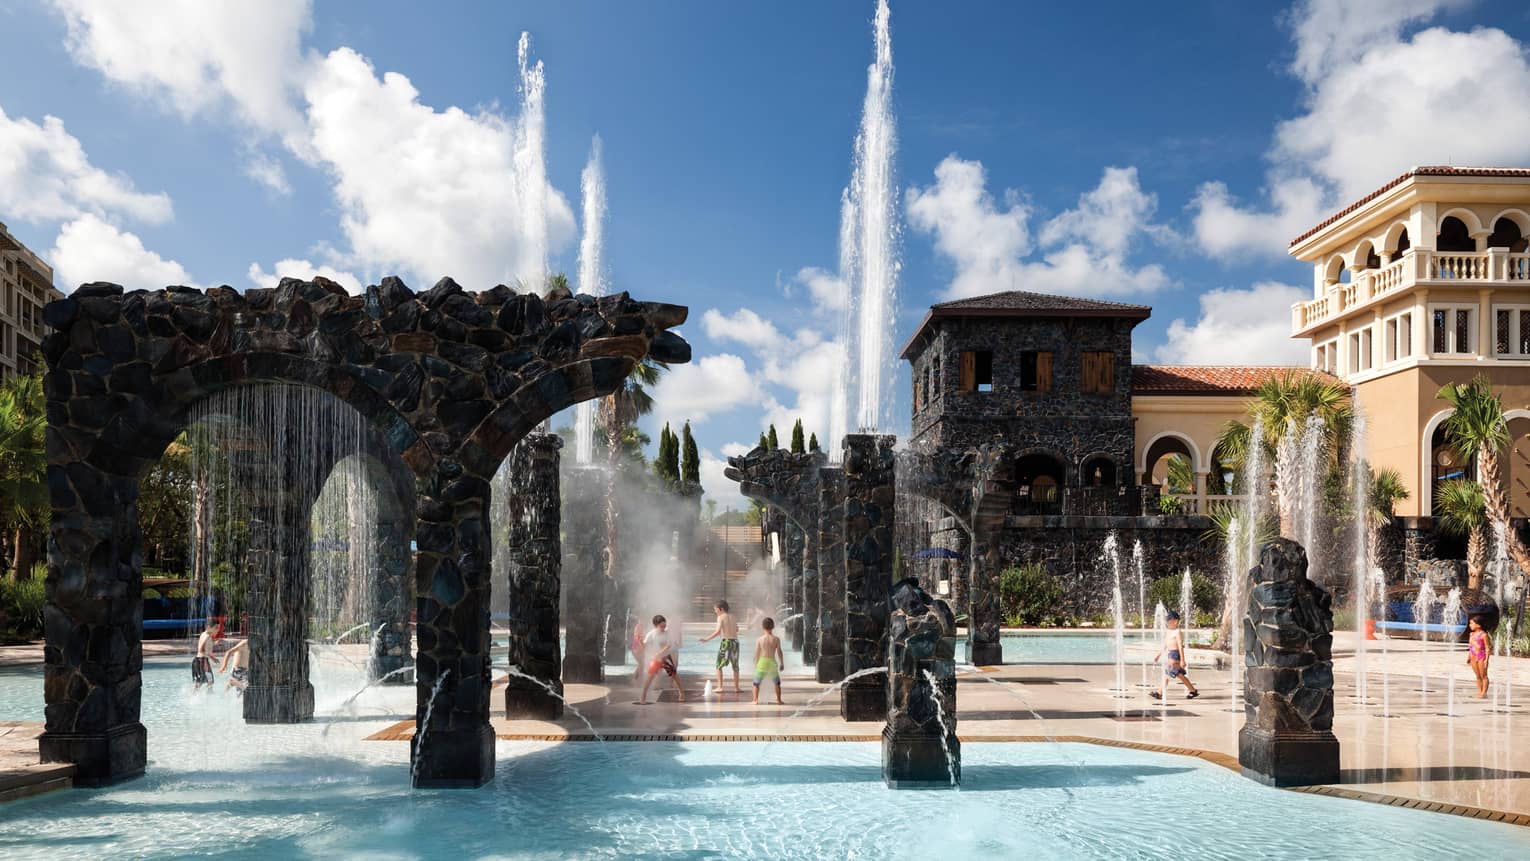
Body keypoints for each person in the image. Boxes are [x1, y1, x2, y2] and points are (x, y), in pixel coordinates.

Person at [635, 614, 684, 705]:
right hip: (656, 660)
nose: (663, 628)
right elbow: (644, 647)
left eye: (664, 626)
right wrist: (640, 641)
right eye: (661, 626)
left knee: (674, 676)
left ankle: (681, 692)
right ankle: (643, 697)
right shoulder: (651, 634)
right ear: (655, 625)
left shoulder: (667, 633)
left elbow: (668, 645)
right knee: (649, 678)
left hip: (665, 658)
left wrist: (658, 654)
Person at [1151, 611, 1199, 701]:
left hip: (1175, 655)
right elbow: (1165, 644)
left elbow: (1180, 646)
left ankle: (1159, 693)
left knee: (1167, 673)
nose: (1168, 623)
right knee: (1179, 675)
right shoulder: (1169, 631)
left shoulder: (1178, 632)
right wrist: (1158, 654)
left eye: (1170, 621)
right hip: (1170, 654)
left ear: (1176, 621)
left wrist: (1182, 660)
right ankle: (1193, 690)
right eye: (1167, 621)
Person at [699, 599, 741, 693]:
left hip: (726, 642)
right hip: (735, 642)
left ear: (721, 609)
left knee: (718, 665)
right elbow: (737, 629)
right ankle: (736, 688)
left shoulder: (721, 617)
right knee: (735, 666)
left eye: (716, 609)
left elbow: (717, 632)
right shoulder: (733, 617)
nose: (715, 611)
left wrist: (706, 639)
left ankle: (720, 687)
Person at [752, 617, 785, 706]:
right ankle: (778, 700)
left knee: (756, 683)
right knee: (777, 683)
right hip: (772, 662)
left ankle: (755, 700)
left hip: (762, 662)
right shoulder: (776, 639)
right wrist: (782, 663)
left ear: (762, 627)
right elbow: (779, 652)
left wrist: (755, 662)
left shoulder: (759, 639)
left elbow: (757, 653)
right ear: (773, 626)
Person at [1467, 614, 1491, 699]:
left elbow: (1487, 648)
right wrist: (1469, 656)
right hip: (1473, 656)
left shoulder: (1484, 635)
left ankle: (1484, 693)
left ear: (1478, 625)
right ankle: (1480, 691)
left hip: (1481, 657)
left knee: (1483, 675)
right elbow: (1470, 646)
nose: (1470, 625)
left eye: (1472, 623)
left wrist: (1486, 660)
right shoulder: (1471, 634)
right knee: (1477, 676)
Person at [192, 621, 218, 689]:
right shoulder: (208, 637)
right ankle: (209, 696)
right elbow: (201, 649)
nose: (217, 630)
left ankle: (192, 697)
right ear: (209, 627)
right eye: (216, 628)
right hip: (203, 661)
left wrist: (214, 643)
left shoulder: (203, 634)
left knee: (198, 682)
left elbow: (204, 647)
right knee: (210, 681)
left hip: (197, 660)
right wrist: (213, 658)